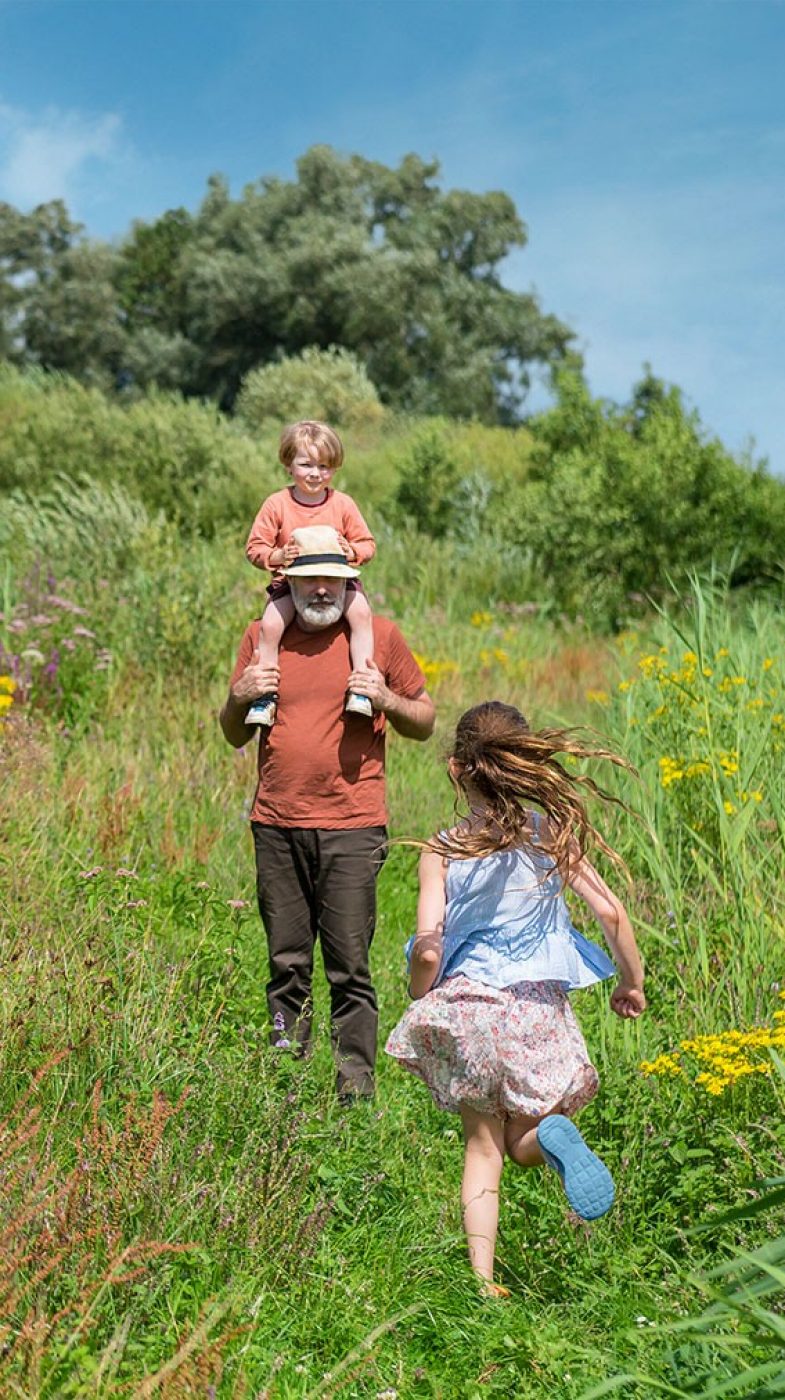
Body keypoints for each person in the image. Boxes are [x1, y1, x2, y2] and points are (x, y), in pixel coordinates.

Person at [385, 701, 645, 1297]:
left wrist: (420, 993)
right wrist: (631, 982)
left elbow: (428, 948)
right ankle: (551, 1135)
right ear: (524, 766)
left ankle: (482, 1284)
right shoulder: (547, 833)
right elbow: (611, 912)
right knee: (526, 1140)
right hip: (534, 1011)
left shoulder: (441, 848)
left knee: (483, 1147)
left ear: (456, 770)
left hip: (470, 1009)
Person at [220, 526, 436, 1104]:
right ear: (286, 581)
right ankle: (284, 1086)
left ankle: (354, 1095)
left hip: (353, 826)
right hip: (276, 823)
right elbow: (232, 733)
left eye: (333, 580)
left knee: (349, 967)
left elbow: (425, 719)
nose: (322, 590)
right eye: (310, 578)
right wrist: (241, 694)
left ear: (350, 582)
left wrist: (385, 698)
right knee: (286, 963)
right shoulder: (262, 637)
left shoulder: (380, 638)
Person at [244, 419, 376, 726]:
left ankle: (362, 686)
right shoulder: (276, 504)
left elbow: (368, 544)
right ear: (289, 465)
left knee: (361, 614)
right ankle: (265, 696)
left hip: (339, 582)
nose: (316, 474)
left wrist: (352, 551)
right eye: (306, 465)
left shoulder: (343, 504)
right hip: (291, 582)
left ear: (334, 468)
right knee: (270, 625)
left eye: (325, 466)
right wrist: (278, 556)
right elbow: (254, 547)